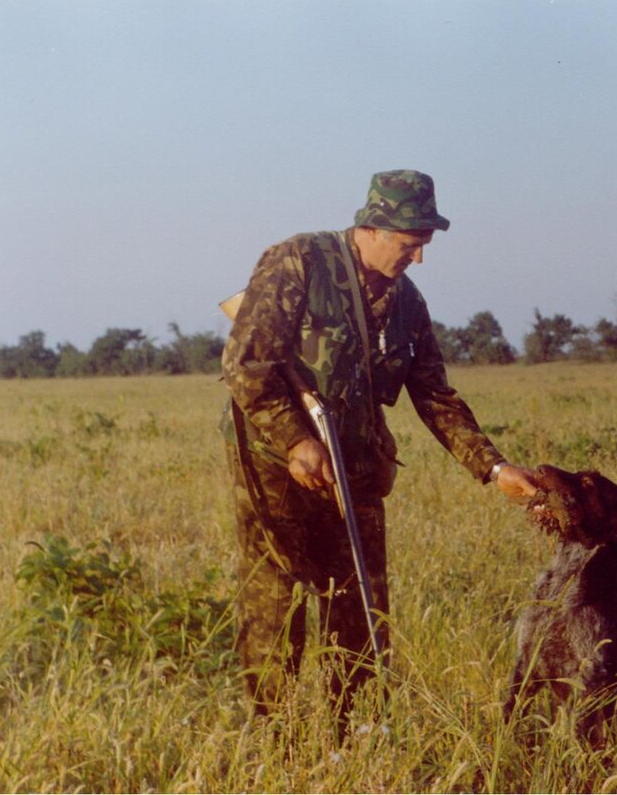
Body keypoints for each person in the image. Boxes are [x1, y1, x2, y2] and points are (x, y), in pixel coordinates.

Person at [221, 169, 539, 722]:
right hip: (273, 459)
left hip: (355, 461)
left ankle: (357, 731)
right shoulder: (299, 262)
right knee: (277, 604)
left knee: (362, 606)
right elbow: (246, 366)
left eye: (424, 247)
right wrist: (296, 440)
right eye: (409, 245)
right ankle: (279, 740)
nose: (417, 260)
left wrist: (494, 467)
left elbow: (434, 393)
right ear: (372, 227)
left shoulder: (406, 303)